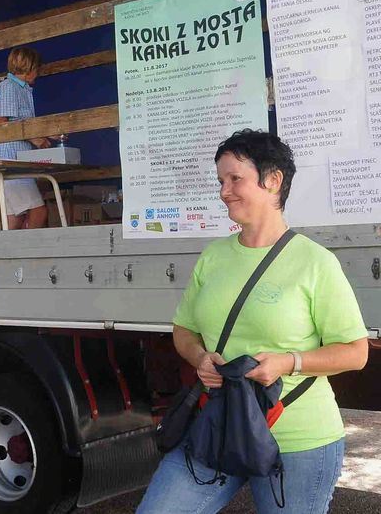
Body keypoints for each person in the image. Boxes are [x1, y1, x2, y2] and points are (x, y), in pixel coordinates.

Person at [137, 129, 368, 514]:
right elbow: (184, 329)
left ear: (273, 180)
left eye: (235, 179)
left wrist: (288, 362)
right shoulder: (214, 256)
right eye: (220, 181)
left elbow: (356, 353)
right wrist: (200, 357)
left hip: (296, 439)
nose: (224, 191)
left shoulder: (315, 262)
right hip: (218, 427)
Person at [0, 46, 51, 230]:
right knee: (39, 211)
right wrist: (34, 138)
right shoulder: (8, 87)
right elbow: (1, 122)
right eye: (37, 68)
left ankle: (10, 248)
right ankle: (30, 247)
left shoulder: (21, 89)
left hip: (16, 161)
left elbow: (19, 122)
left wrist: (41, 135)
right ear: (29, 68)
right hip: (10, 160)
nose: (38, 73)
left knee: (14, 219)